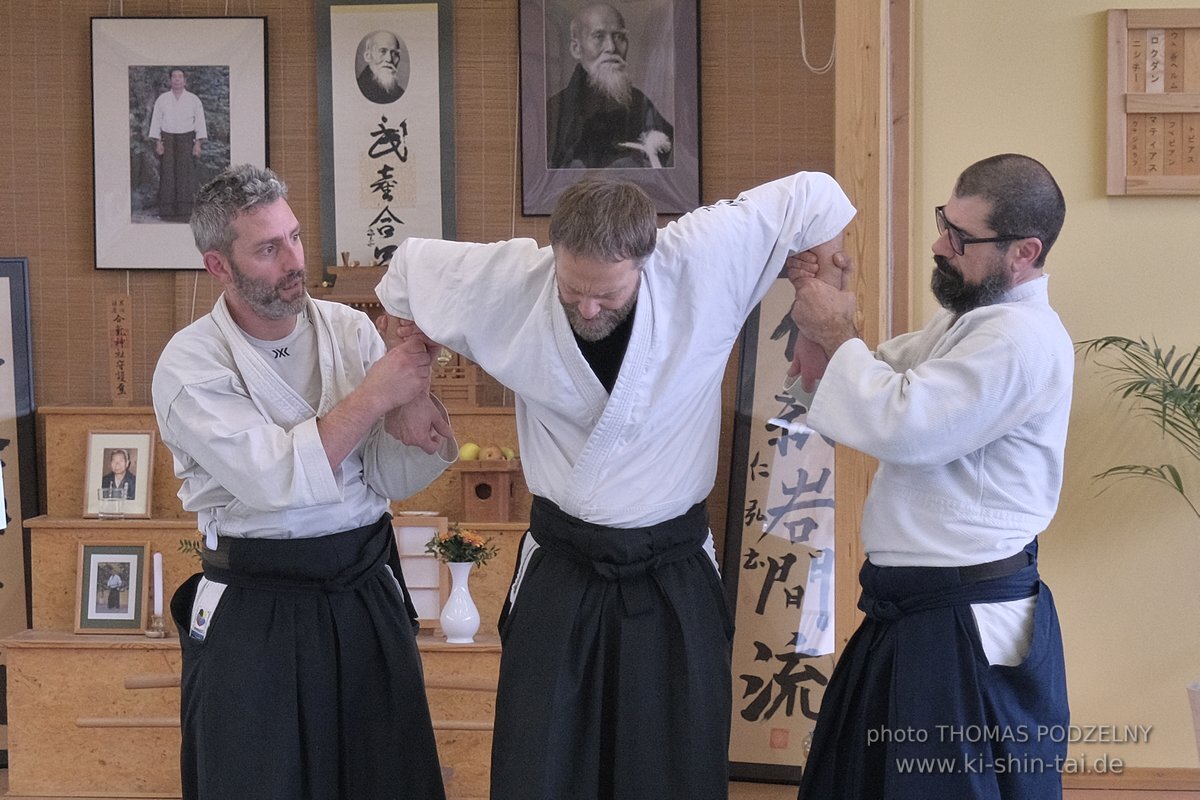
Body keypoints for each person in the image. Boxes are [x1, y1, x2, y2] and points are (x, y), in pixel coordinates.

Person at [376, 171, 856, 799]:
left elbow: (819, 195)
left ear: (646, 258)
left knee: (673, 771)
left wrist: (818, 318)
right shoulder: (513, 280)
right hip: (563, 564)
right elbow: (404, 278)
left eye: (607, 294)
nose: (589, 308)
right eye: (573, 290)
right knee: (540, 770)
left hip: (672, 566)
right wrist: (408, 396)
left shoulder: (704, 255)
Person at [151, 164, 457, 800]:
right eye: (268, 248)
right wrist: (376, 394)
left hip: (364, 581)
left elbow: (386, 475)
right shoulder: (189, 363)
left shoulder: (347, 329)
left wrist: (414, 394)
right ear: (219, 267)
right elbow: (276, 479)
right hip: (257, 597)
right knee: (260, 780)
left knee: (383, 777)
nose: (294, 259)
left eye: (293, 236)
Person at [785, 153, 1073, 800]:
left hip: (967, 617)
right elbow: (863, 381)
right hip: (919, 610)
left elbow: (903, 423)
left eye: (962, 238)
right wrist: (821, 323)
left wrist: (837, 332)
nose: (941, 246)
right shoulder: (968, 324)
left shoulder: (1021, 340)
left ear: (1024, 252)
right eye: (946, 223)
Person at [547, 3, 674, 169]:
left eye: (619, 37)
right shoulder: (556, 108)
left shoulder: (639, 103)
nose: (612, 47)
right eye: (599, 36)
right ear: (576, 49)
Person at [148, 68, 208, 221]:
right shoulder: (162, 99)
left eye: (180, 77)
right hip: (167, 138)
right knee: (167, 173)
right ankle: (167, 211)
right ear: (170, 80)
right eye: (174, 77)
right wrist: (158, 142)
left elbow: (200, 121)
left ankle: (185, 211)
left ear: (184, 80)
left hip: (187, 139)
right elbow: (156, 121)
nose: (177, 79)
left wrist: (198, 143)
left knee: (185, 174)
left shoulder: (194, 100)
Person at [357, 30, 406, 104]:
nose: (389, 59)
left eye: (394, 53)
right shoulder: (359, 88)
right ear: (367, 56)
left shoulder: (400, 93)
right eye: (382, 51)